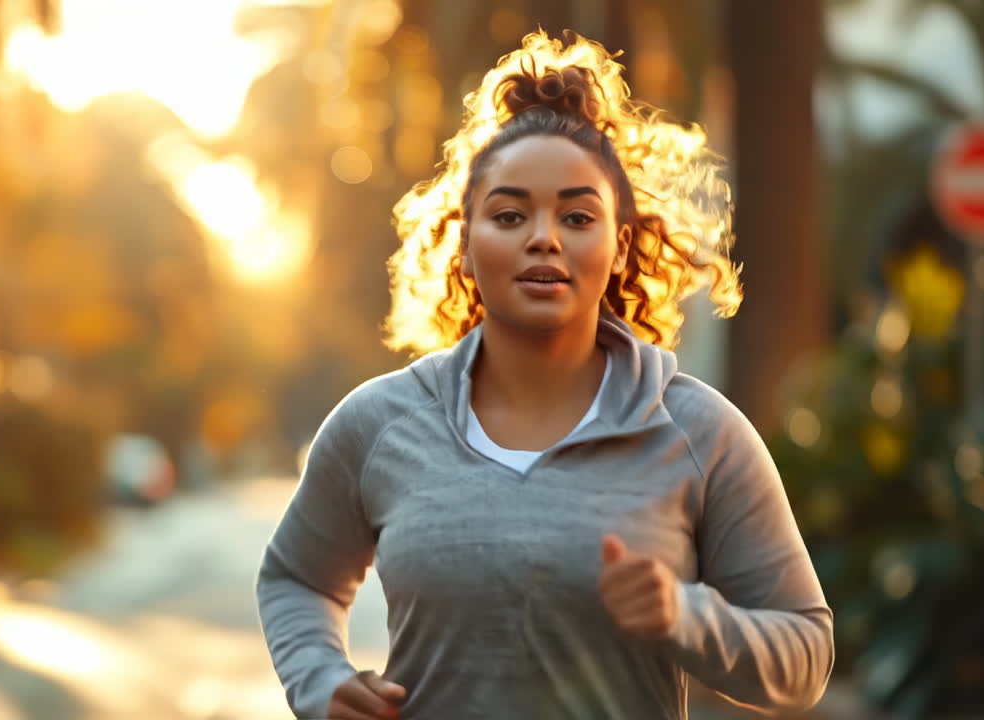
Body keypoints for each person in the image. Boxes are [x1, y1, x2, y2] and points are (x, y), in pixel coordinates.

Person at [257, 30, 833, 720]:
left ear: (618, 247)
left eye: (577, 215)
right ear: (465, 243)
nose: (544, 237)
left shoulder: (700, 433)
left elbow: (805, 657)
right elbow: (296, 578)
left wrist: (686, 616)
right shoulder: (377, 424)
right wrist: (320, 682)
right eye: (508, 214)